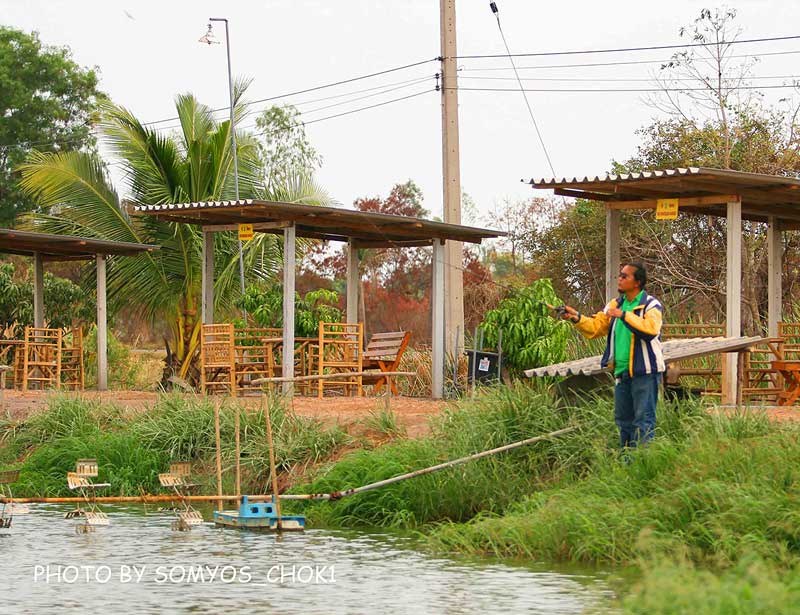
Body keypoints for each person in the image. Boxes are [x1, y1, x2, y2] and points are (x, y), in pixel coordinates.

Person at [561, 263, 664, 447]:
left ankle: (643, 463)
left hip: (645, 373)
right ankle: (627, 462)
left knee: (643, 420)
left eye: (625, 276)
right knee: (624, 422)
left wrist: (624, 315)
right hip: (621, 372)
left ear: (637, 282)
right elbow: (595, 327)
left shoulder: (650, 305)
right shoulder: (615, 305)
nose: (620, 279)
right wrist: (576, 317)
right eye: (620, 275)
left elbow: (651, 330)